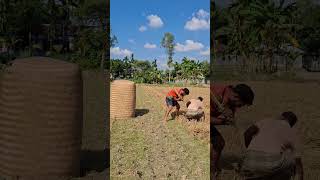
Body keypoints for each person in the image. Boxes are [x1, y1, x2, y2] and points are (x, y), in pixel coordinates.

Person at [240, 111, 303, 180]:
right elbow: (297, 161)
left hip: (249, 162)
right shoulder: (291, 131)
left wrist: (250, 151)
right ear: (292, 124)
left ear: (281, 117)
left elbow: (248, 133)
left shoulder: (265, 121)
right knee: (291, 160)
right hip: (271, 164)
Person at [211, 84, 254, 179]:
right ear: (236, 97)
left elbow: (226, 117)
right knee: (218, 142)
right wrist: (223, 121)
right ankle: (212, 170)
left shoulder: (230, 102)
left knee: (219, 143)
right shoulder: (215, 95)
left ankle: (213, 168)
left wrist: (226, 119)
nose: (239, 107)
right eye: (240, 104)